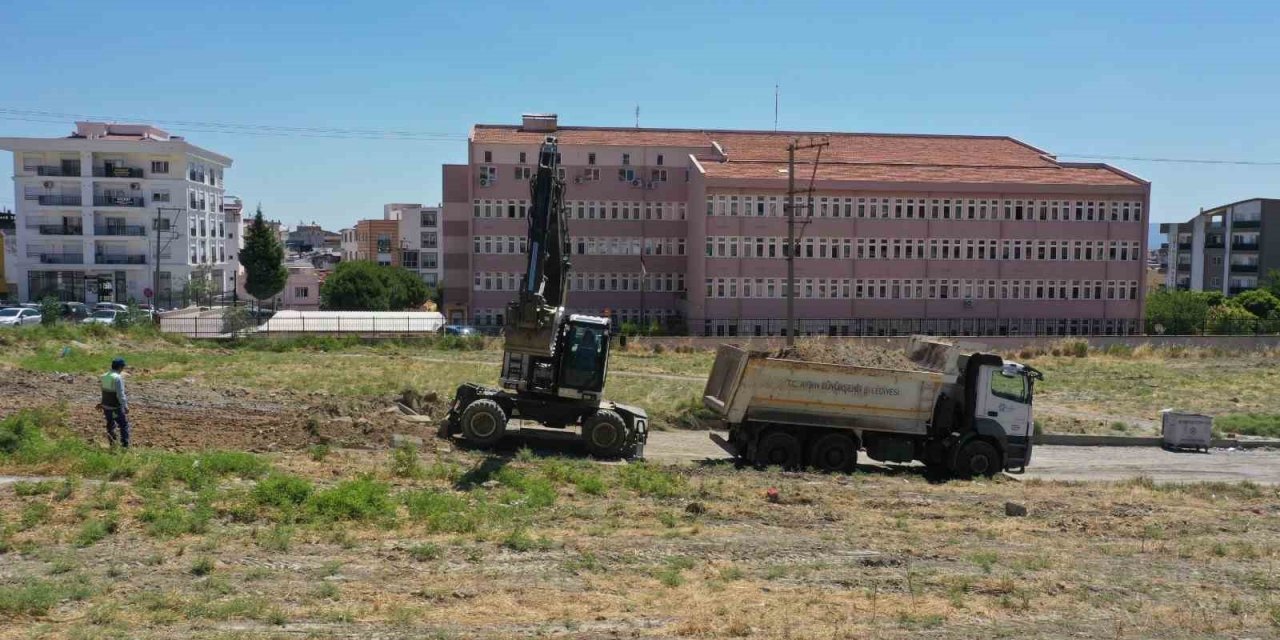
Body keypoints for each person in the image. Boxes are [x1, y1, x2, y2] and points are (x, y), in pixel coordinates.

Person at [100, 357, 130, 448]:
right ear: (120, 367)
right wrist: (125, 406)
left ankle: (112, 444)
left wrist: (101, 403)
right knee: (123, 425)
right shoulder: (117, 378)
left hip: (106, 406)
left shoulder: (104, 376)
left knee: (110, 424)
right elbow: (120, 394)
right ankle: (125, 446)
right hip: (115, 407)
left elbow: (103, 391)